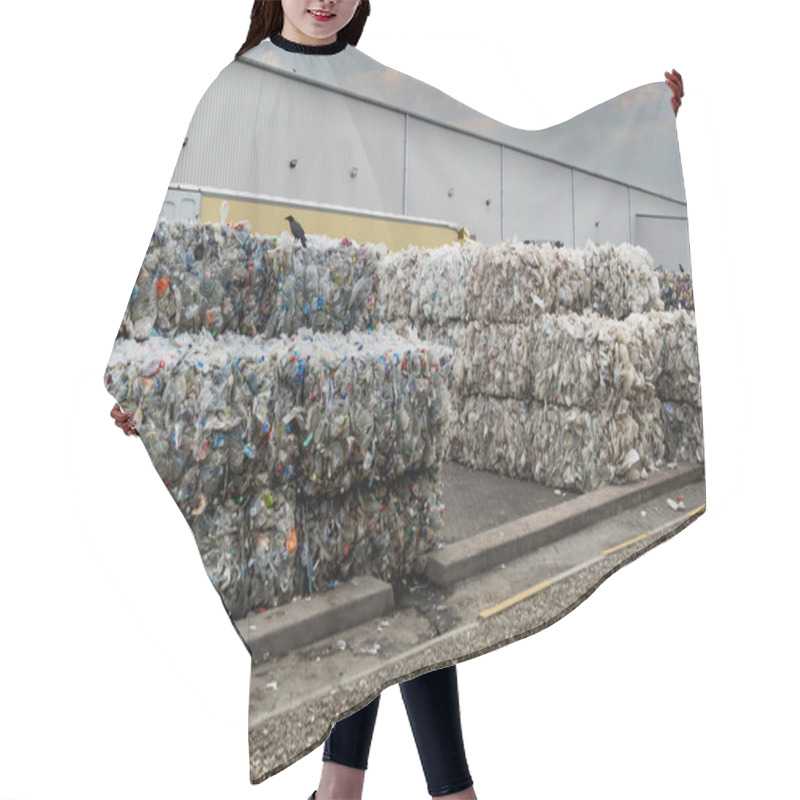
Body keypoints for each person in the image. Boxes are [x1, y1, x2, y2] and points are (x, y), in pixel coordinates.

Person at [109, 3, 685, 798]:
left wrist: (643, 116)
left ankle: (356, 789)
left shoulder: (379, 83)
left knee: (389, 592)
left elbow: (515, 121)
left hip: (356, 407)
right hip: (284, 417)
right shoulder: (230, 85)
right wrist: (137, 378)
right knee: (378, 604)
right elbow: (140, 237)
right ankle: (421, 791)